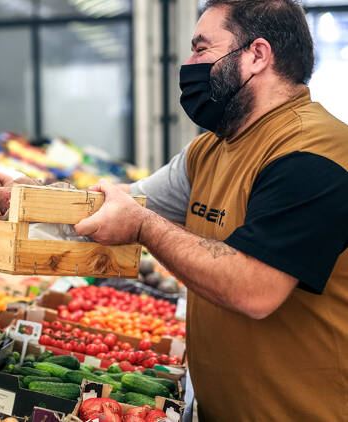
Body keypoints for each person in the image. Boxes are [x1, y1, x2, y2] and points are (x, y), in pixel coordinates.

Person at [75, 0, 348, 420]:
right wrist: (15, 194)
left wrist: (145, 227)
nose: (188, 64)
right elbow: (119, 202)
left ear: (258, 55)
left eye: (202, 50)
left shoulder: (316, 153)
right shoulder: (208, 150)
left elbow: (255, 289)